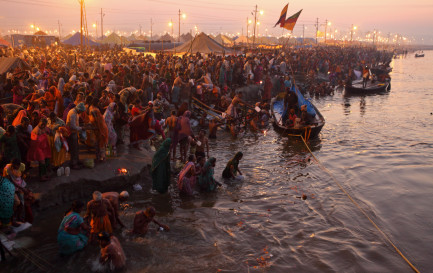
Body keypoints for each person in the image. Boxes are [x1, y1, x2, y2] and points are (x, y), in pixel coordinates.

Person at [66, 102, 85, 169]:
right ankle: (73, 163)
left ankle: (76, 160)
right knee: (73, 149)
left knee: (76, 148)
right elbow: (72, 126)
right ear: (79, 109)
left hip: (74, 132)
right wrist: (81, 128)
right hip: (71, 133)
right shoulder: (73, 114)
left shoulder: (75, 112)